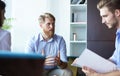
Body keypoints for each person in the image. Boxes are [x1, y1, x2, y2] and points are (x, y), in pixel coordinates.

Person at [82, 0, 120, 76]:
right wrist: (96, 67)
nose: (103, 21)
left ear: (117, 13)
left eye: (105, 16)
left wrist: (98, 75)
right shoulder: (118, 34)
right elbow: (115, 59)